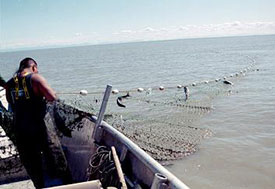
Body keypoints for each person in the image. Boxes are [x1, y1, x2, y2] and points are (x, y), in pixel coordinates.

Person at [5, 58, 68, 188]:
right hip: (40, 127)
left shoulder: (10, 83)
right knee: (54, 157)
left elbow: (10, 101)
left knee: (31, 161)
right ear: (33, 67)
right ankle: (63, 184)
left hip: (21, 129)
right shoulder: (36, 79)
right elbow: (52, 97)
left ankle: (40, 185)